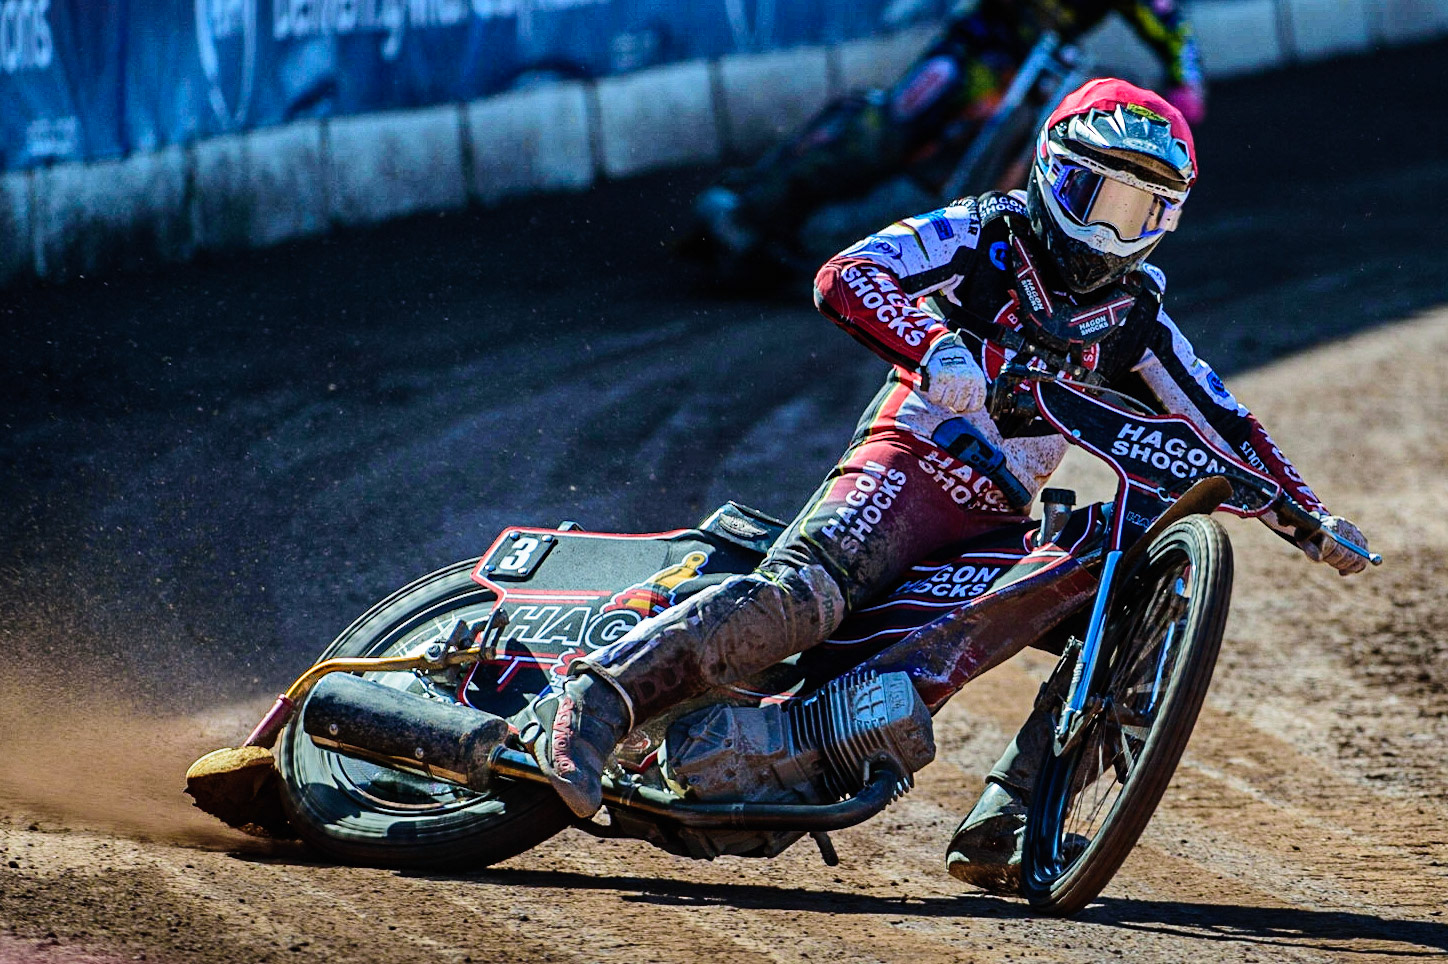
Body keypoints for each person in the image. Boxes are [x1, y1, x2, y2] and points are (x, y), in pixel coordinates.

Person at [522, 78, 1369, 887]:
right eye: (1095, 198)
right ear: (1048, 173)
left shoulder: (1137, 318)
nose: (1111, 233)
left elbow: (1224, 424)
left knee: (1112, 600)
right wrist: (936, 346)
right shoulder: (981, 233)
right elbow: (846, 274)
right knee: (800, 602)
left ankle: (1010, 816)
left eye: (1139, 211)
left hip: (996, 518)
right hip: (908, 461)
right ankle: (594, 705)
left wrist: (1312, 518)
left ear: (1167, 222)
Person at [691, 0, 1206, 269]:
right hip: (973, 49)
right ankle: (751, 214)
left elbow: (1169, 23)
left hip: (1033, 71)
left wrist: (1187, 82)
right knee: (886, 136)